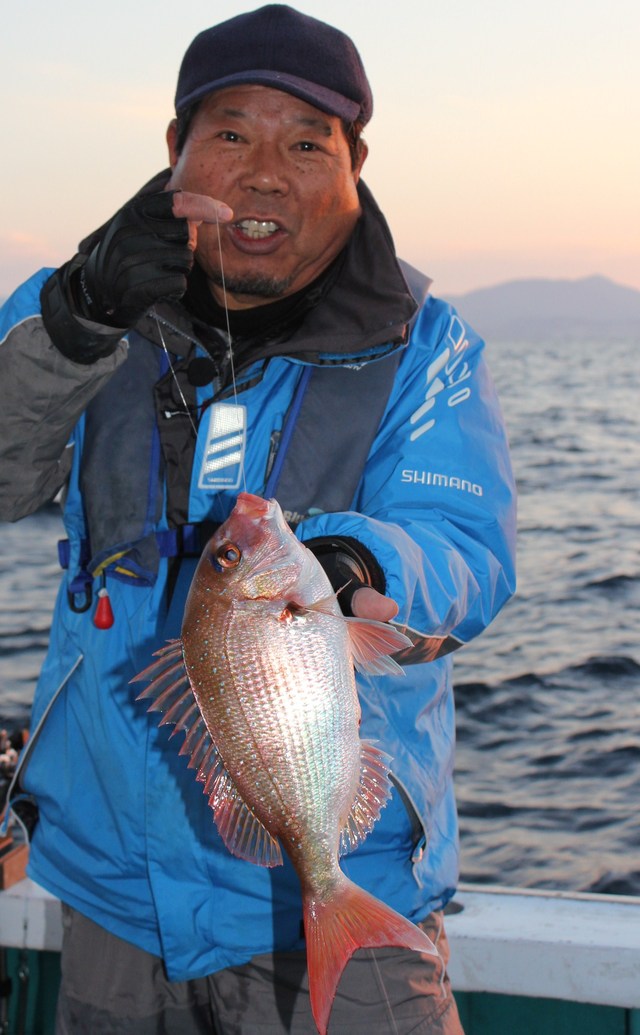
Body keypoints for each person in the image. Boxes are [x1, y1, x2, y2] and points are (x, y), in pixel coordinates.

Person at [0, 5, 516, 1033]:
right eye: (232, 132)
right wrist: (75, 324)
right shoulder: (73, 311)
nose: (267, 173)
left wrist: (355, 560)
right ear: (176, 149)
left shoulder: (428, 347)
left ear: (355, 164)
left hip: (349, 876)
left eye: (307, 143)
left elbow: (465, 546)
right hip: (110, 889)